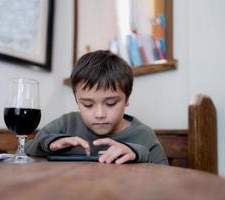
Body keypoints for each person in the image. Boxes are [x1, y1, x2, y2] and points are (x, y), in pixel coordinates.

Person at [25, 50, 168, 165]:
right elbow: (28, 148)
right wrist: (49, 144)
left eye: (111, 103)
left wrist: (137, 153)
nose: (100, 114)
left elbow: (164, 177)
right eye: (88, 104)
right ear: (77, 101)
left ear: (127, 99)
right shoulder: (66, 123)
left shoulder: (144, 135)